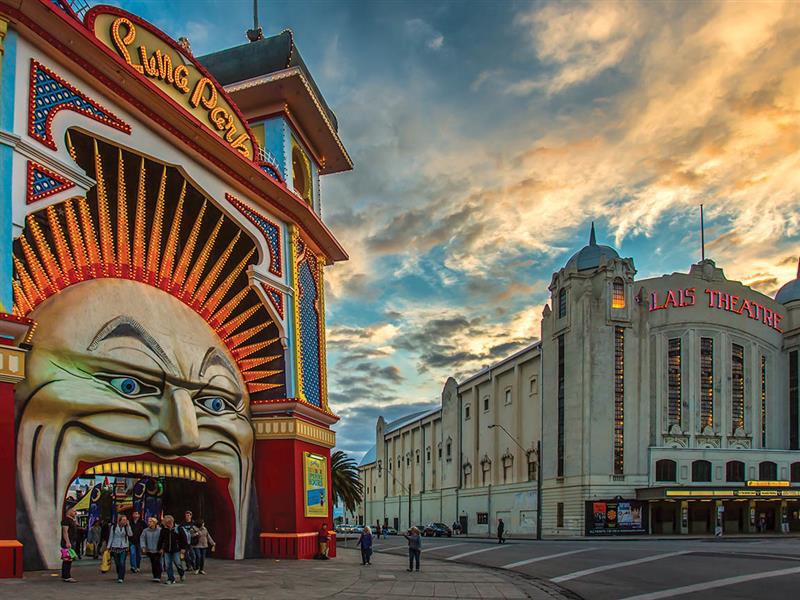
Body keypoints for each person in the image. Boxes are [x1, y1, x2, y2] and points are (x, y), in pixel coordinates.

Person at [158, 515, 187, 584]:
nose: (167, 525)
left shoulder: (178, 528)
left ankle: (181, 573)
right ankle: (170, 578)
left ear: (171, 522)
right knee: (168, 565)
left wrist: (183, 548)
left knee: (178, 563)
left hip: (176, 549)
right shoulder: (164, 529)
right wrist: (160, 548)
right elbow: (161, 539)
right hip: (167, 550)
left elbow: (184, 538)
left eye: (167, 523)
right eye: (165, 523)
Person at [108, 514, 134, 583]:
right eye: (123, 520)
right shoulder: (113, 527)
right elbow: (111, 537)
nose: (125, 521)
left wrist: (128, 526)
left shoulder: (126, 527)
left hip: (124, 547)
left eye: (126, 520)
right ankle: (119, 573)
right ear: (119, 521)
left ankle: (121, 577)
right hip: (115, 546)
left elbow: (130, 534)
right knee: (117, 563)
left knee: (122, 562)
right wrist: (108, 547)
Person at [140, 517, 162, 582]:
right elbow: (142, 539)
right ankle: (155, 576)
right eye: (148, 521)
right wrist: (143, 547)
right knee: (153, 562)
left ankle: (158, 576)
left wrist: (162, 548)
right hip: (150, 549)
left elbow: (163, 539)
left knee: (157, 562)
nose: (149, 523)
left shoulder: (159, 530)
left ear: (154, 522)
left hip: (158, 550)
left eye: (150, 521)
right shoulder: (145, 530)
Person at [60, 507, 78, 583]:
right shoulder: (66, 520)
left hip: (71, 541)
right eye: (74, 511)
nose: (75, 513)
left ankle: (65, 575)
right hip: (68, 542)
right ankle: (67, 576)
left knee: (68, 559)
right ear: (69, 511)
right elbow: (65, 531)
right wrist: (67, 541)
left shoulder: (71, 520)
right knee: (68, 559)